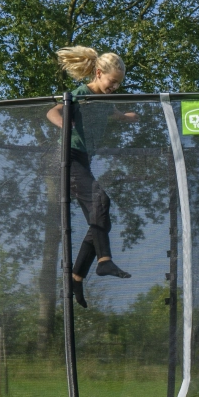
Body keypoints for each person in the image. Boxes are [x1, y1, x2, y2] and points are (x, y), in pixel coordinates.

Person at [45, 46, 138, 308]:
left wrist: (126, 117)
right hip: (68, 159)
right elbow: (52, 112)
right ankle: (104, 260)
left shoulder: (103, 102)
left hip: (83, 161)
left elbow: (113, 114)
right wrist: (65, 123)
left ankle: (76, 276)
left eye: (118, 84)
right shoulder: (82, 94)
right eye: (112, 82)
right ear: (98, 74)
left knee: (101, 220)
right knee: (101, 202)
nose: (114, 87)